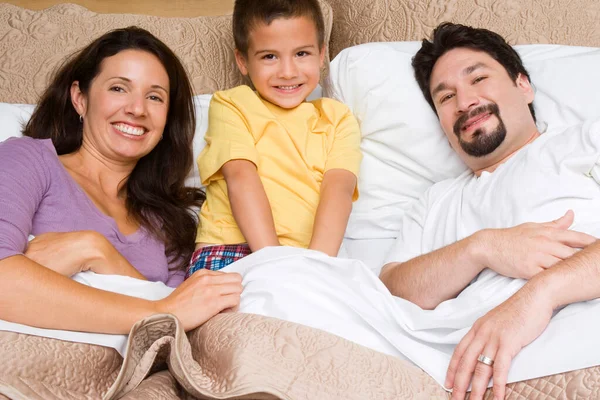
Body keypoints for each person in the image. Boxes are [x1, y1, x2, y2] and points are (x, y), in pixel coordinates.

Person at [379, 22, 600, 399]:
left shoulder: (584, 142)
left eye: (478, 78)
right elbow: (389, 294)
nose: (464, 102)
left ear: (523, 85)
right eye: (445, 98)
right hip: (452, 371)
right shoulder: (435, 202)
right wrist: (483, 248)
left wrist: (539, 295)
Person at [0, 27, 243, 335]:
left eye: (154, 97)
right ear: (80, 98)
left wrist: (97, 253)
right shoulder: (28, 160)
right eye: (118, 88)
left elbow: (175, 329)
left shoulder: (170, 225)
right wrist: (159, 310)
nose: (137, 109)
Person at [186, 0, 362, 276]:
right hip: (231, 249)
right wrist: (275, 266)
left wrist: (315, 269)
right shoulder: (232, 104)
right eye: (270, 57)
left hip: (308, 258)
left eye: (302, 53)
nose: (288, 72)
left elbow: (338, 192)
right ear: (243, 61)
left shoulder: (338, 118)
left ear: (321, 56)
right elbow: (241, 177)